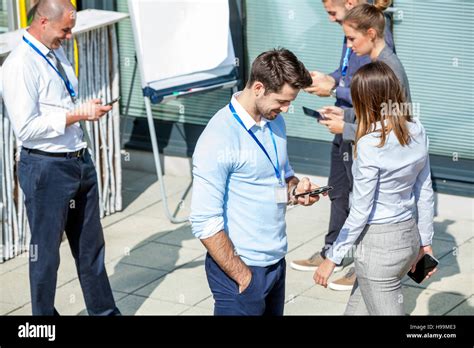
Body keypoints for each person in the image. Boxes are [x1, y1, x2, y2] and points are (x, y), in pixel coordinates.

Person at [2, 0, 120, 316]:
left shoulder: (55, 51)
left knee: (91, 249)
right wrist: (77, 114)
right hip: (46, 168)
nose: (69, 37)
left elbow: (58, 104)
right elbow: (26, 129)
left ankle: (105, 313)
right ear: (43, 22)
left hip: (79, 161)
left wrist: (81, 108)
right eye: (65, 30)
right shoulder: (19, 66)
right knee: (46, 256)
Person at [190, 48, 325, 316]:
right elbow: (204, 222)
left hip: (275, 263)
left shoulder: (275, 121)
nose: (286, 109)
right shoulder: (219, 137)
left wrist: (295, 190)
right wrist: (243, 277)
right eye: (282, 101)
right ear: (259, 88)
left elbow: (282, 175)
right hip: (240, 270)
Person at [314, 61, 437, 315]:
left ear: (364, 101)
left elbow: (360, 211)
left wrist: (332, 257)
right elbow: (424, 192)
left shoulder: (369, 143)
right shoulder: (417, 130)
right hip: (409, 239)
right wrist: (426, 243)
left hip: (378, 250)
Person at [291, 0, 395, 292]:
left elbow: (377, 98)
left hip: (361, 131)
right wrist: (329, 80)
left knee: (363, 199)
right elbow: (348, 73)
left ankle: (363, 265)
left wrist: (336, 93)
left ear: (349, 4)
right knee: (338, 190)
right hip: (348, 124)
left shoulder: (375, 45)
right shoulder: (353, 34)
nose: (330, 20)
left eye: (331, 12)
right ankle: (332, 251)